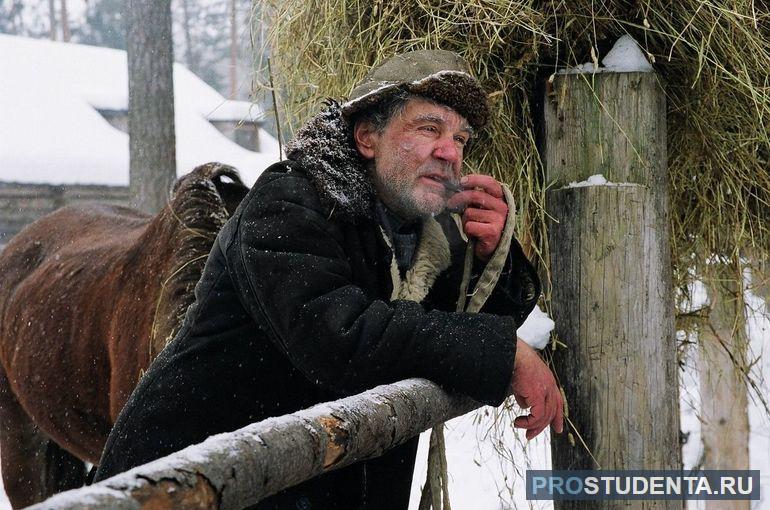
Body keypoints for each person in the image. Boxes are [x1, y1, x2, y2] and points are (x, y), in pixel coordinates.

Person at [94, 49, 563, 508]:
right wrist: (504, 352)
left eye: (460, 139)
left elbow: (461, 324)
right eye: (428, 129)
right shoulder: (287, 204)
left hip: (303, 483)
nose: (449, 152)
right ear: (366, 138)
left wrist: (491, 253)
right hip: (189, 485)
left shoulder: (420, 235)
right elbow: (338, 337)